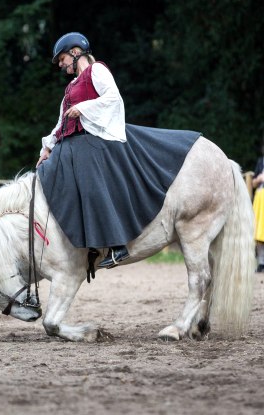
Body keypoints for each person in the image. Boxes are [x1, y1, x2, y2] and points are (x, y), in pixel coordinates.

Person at [36, 32, 200, 269]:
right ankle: (79, 244)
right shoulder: (70, 87)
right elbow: (61, 119)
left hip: (95, 140)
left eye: (61, 59)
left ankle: (117, 245)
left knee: (89, 179)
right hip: (71, 142)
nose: (60, 65)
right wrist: (47, 148)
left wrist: (83, 108)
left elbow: (113, 98)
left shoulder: (97, 71)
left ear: (75, 52)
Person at [252, 147, 264, 272]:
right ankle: (261, 262)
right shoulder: (261, 162)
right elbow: (254, 183)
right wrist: (259, 179)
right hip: (260, 198)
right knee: (259, 231)